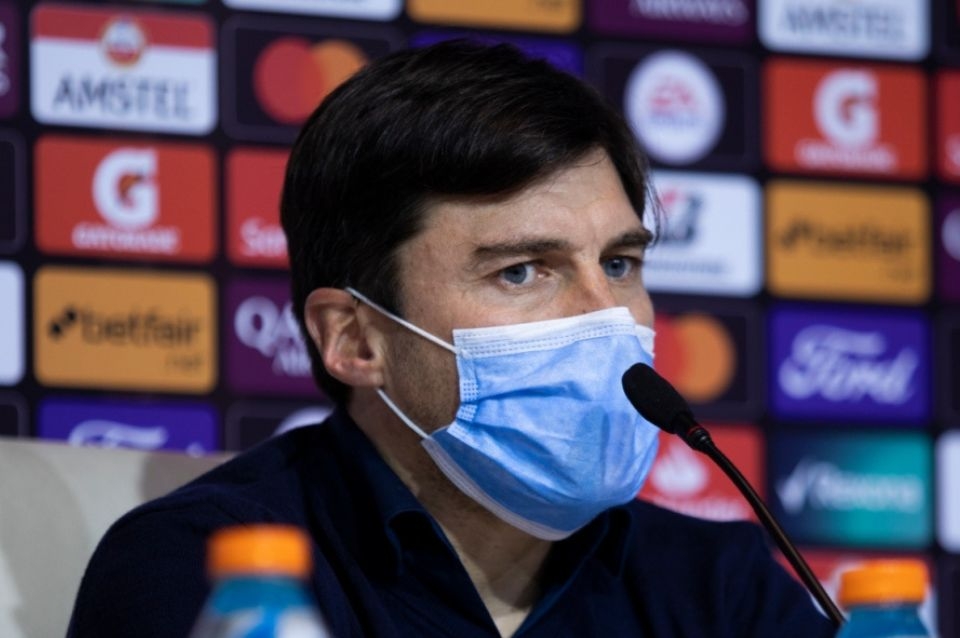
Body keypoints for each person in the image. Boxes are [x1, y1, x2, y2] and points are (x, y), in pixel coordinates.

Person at [67, 40, 834, 637]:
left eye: (619, 264)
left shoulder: (720, 586)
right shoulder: (205, 577)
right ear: (356, 339)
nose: (607, 318)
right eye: (521, 272)